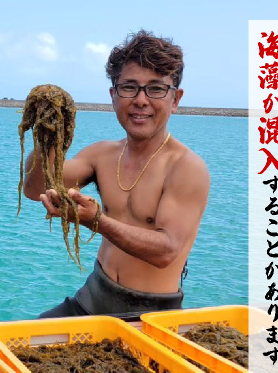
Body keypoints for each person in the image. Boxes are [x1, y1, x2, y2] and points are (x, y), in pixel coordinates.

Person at [24, 30, 210, 317]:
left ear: (175, 99)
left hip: (151, 315)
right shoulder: (102, 155)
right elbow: (36, 187)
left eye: (156, 88)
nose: (141, 100)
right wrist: (46, 132)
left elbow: (166, 251)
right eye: (129, 87)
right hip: (91, 299)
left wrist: (95, 220)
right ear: (113, 96)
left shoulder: (186, 167)